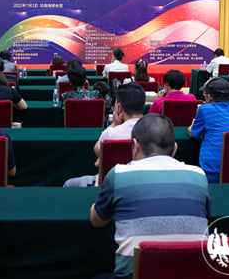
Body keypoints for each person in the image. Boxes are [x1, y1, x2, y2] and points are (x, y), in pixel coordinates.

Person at [90, 114, 210, 279]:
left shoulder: (118, 174)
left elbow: (97, 220)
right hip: (192, 274)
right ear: (175, 148)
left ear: (135, 146)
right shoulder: (199, 175)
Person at [64, 83, 146, 187]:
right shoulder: (155, 131)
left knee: (68, 184)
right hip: (141, 185)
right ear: (143, 105)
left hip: (108, 186)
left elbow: (97, 150)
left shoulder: (111, 134)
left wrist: (114, 124)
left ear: (119, 106)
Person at [189, 78, 229, 183]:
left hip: (211, 172)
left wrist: (193, 124)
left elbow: (193, 134)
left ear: (209, 97)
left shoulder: (204, 109)